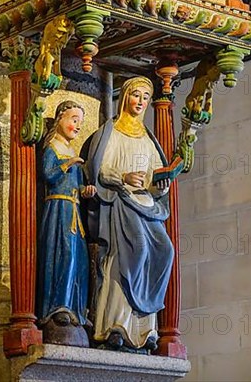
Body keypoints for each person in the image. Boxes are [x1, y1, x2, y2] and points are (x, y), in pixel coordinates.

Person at [84, 77, 183, 352]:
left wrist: (160, 184)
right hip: (122, 201)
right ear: (125, 97)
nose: (140, 102)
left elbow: (156, 177)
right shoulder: (112, 132)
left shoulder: (147, 138)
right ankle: (115, 324)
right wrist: (124, 176)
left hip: (146, 204)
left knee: (164, 251)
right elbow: (101, 169)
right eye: (135, 95)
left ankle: (145, 330)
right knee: (133, 252)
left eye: (145, 98)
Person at [36, 100, 96, 335]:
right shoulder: (53, 147)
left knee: (80, 259)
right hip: (58, 208)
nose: (77, 125)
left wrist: (86, 191)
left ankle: (76, 309)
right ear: (60, 118)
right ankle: (56, 306)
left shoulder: (71, 150)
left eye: (80, 122)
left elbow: (79, 184)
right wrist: (69, 163)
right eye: (73, 119)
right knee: (64, 255)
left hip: (74, 210)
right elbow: (48, 175)